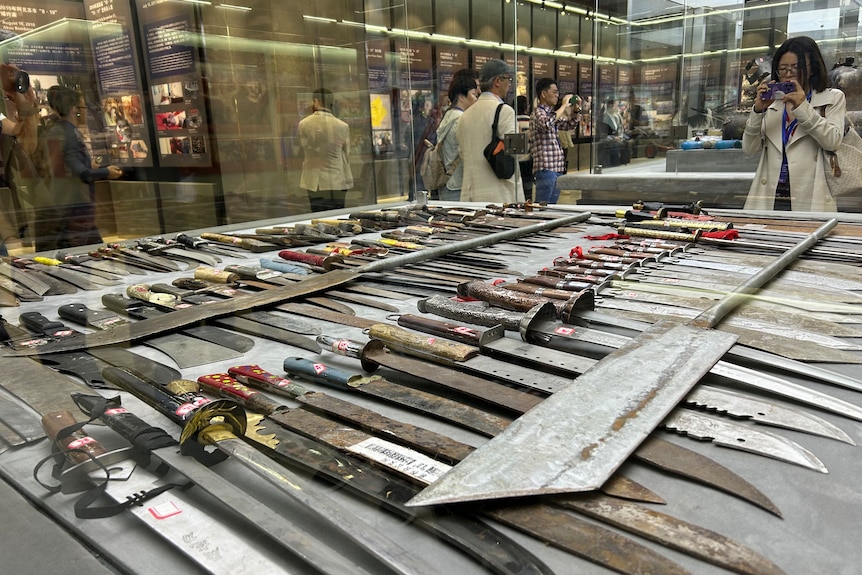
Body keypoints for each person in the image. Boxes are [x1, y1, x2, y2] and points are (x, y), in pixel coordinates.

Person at [742, 36, 844, 211]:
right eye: (783, 69)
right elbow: (749, 149)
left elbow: (832, 141)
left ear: (812, 69)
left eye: (795, 68)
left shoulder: (832, 98)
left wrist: (802, 107)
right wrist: (758, 111)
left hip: (810, 194)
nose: (788, 74)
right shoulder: (773, 102)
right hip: (771, 193)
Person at [45, 86, 123, 249]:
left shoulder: (57, 131)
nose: (85, 112)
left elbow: (63, 169)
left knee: (94, 250)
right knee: (80, 254)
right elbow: (82, 173)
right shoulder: (70, 134)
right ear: (75, 110)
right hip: (76, 207)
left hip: (67, 203)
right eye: (83, 108)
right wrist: (106, 172)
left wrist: (90, 165)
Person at [457, 59, 524, 203]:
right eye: (508, 79)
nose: (510, 84)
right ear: (497, 81)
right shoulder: (505, 111)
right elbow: (518, 153)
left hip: (471, 196)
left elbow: (463, 154)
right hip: (501, 197)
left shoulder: (465, 115)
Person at [298, 88, 353, 212]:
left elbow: (303, 147)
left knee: (317, 216)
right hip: (337, 179)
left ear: (316, 101)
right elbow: (346, 153)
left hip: (314, 181)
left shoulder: (303, 124)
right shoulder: (343, 126)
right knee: (338, 216)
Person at [528, 78, 580, 205]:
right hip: (546, 168)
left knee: (551, 206)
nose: (557, 95)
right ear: (544, 94)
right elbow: (546, 124)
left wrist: (576, 110)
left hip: (556, 168)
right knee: (542, 206)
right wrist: (563, 106)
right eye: (554, 92)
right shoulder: (538, 113)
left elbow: (569, 125)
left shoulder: (551, 114)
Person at [435, 68, 479, 202]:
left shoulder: (448, 116)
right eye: (473, 94)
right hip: (458, 184)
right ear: (461, 97)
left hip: (447, 182)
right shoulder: (461, 119)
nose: (476, 99)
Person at [516, 95, 532, 202]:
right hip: (528, 158)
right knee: (528, 187)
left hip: (516, 159)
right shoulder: (530, 121)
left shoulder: (513, 120)